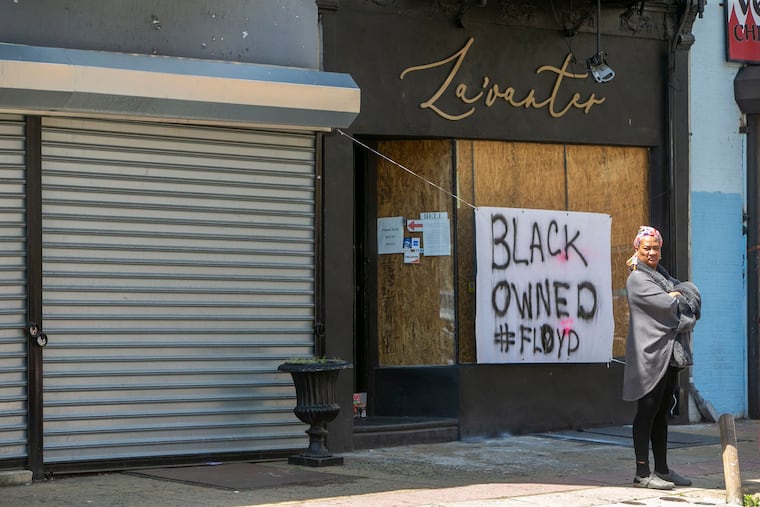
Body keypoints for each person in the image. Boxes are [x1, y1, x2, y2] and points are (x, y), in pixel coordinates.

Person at [622, 226, 700, 490]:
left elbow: (688, 295)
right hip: (650, 355)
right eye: (647, 248)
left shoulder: (659, 276)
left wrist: (679, 295)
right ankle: (642, 474)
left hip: (669, 356)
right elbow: (672, 310)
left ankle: (663, 470)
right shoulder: (638, 280)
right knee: (647, 411)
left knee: (661, 414)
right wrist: (678, 298)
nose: (652, 252)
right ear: (637, 249)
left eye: (656, 248)